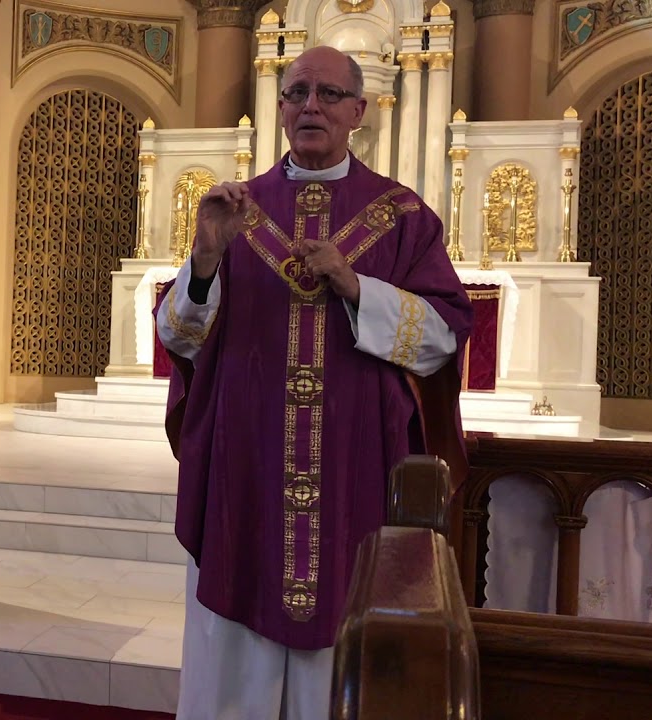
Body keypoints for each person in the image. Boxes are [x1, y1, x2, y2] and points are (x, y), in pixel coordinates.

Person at [156, 45, 473, 720]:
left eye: (329, 94)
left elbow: (445, 337)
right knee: (237, 633)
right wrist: (205, 258)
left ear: (360, 110)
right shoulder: (234, 210)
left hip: (355, 462)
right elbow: (179, 337)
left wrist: (357, 287)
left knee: (342, 620)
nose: (311, 106)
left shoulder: (402, 216)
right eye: (297, 92)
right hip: (246, 462)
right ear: (279, 108)